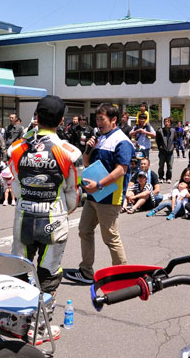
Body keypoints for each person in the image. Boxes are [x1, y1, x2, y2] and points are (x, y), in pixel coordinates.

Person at [2, 94, 81, 342]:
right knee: (49, 272)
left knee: (20, 269)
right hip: (54, 217)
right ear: (60, 120)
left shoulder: (15, 148)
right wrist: (64, 210)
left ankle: (17, 322)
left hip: (23, 216)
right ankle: (40, 328)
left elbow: (14, 185)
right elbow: (72, 193)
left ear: (36, 117)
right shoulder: (70, 152)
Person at [64, 103, 132, 286]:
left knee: (110, 237)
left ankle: (121, 274)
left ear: (114, 119)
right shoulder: (100, 138)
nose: (98, 123)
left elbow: (121, 170)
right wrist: (88, 149)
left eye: (102, 119)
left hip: (109, 197)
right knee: (84, 230)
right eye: (97, 119)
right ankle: (86, 271)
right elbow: (86, 163)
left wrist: (100, 184)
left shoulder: (122, 141)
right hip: (93, 195)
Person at [155, 117, 175, 183]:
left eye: (168, 122)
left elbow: (175, 140)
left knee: (170, 166)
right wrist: (160, 148)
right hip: (162, 151)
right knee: (161, 165)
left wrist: (173, 147)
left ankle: (168, 178)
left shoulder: (173, 131)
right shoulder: (160, 131)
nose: (167, 123)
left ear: (170, 123)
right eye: (165, 122)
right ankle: (161, 177)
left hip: (170, 151)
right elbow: (157, 140)